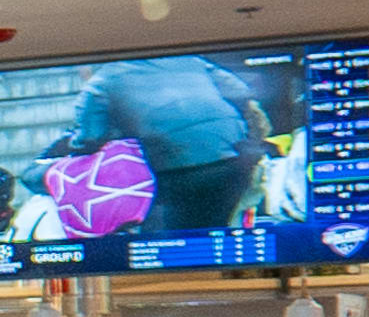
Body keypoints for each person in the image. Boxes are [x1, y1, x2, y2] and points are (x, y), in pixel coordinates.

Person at [39, 51, 280, 235]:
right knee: (215, 230)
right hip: (236, 159)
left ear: (87, 69)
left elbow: (88, 139)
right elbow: (240, 91)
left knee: (174, 241)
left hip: (178, 169)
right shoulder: (188, 60)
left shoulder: (101, 82)